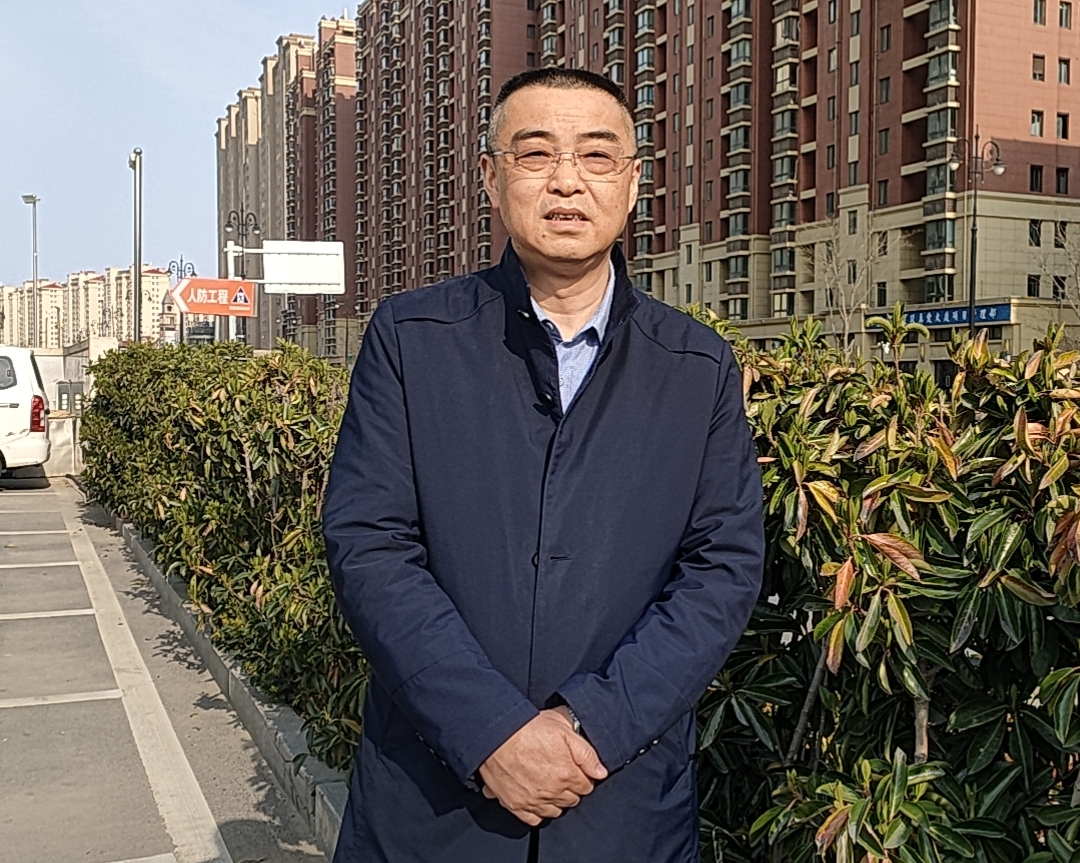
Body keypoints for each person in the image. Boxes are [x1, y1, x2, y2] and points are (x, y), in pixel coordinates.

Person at [322, 67, 765, 863]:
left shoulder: (695, 366)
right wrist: (490, 731)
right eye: (535, 154)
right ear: (491, 178)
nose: (566, 181)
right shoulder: (412, 340)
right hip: (432, 808)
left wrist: (591, 724)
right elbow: (370, 546)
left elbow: (721, 570)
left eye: (596, 156)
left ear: (632, 183)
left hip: (618, 803)